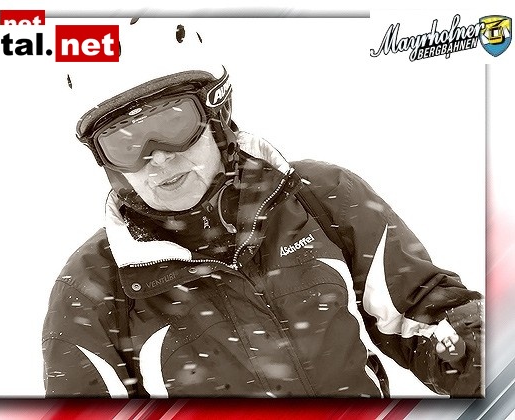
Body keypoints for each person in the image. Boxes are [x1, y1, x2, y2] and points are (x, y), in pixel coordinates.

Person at [42, 19, 483, 398]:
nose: (157, 158)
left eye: (173, 123)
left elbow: (421, 311)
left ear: (215, 115)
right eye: (125, 142)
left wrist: (478, 355)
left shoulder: (318, 196)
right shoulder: (92, 288)